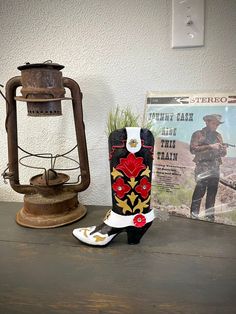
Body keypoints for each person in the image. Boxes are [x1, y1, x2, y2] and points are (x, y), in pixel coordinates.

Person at [190, 114, 227, 222]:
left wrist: (223, 149)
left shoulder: (218, 136)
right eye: (213, 123)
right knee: (199, 192)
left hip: (215, 167)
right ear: (207, 122)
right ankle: (194, 216)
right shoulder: (198, 134)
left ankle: (209, 218)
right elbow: (192, 149)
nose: (215, 126)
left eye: (217, 124)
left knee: (212, 193)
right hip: (202, 166)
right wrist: (211, 146)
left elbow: (223, 154)